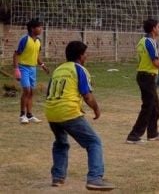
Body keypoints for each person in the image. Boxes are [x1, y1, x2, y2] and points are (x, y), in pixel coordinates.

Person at [44, 41, 115, 191]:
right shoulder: (79, 69)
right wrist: (96, 109)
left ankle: (57, 177)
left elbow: (50, 92)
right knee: (94, 142)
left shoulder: (58, 70)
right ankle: (95, 178)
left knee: (61, 143)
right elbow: (87, 96)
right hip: (68, 112)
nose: (86, 57)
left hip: (51, 111)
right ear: (80, 56)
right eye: (85, 54)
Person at [126, 19, 159, 144]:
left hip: (145, 75)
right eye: (158, 27)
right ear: (153, 29)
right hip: (147, 76)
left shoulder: (142, 41)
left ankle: (153, 133)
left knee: (155, 106)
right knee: (148, 106)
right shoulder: (150, 42)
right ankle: (134, 135)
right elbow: (155, 62)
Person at [13, 19, 50, 124]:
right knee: (27, 90)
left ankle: (29, 115)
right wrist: (16, 69)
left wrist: (42, 65)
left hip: (33, 68)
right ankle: (22, 115)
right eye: (39, 27)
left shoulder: (38, 41)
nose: (41, 29)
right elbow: (16, 54)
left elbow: (37, 55)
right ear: (32, 29)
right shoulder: (24, 40)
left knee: (32, 92)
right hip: (23, 67)